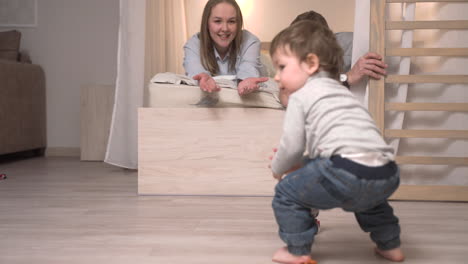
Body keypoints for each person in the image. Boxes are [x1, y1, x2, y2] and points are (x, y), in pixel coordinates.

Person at [268, 20, 405, 264]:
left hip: (345, 169)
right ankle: (390, 245)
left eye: (281, 67)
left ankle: (297, 250)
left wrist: (278, 168)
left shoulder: (301, 96)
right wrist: (300, 164)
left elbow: (292, 146)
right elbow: (326, 152)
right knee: (368, 200)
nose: (276, 77)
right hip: (386, 171)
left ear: (310, 63)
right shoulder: (342, 93)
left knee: (286, 193)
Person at [183, 0, 268, 96]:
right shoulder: (193, 44)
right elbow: (195, 71)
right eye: (217, 21)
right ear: (207, 23)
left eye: (231, 21)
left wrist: (245, 80)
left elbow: (249, 69)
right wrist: (203, 77)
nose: (225, 28)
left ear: (239, 23)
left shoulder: (250, 41)